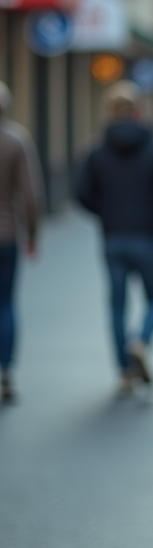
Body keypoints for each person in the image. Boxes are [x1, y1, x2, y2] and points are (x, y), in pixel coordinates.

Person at [76, 82, 153, 393]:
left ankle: (123, 371)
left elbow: (82, 194)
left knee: (117, 304)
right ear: (137, 111)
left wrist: (107, 214)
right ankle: (142, 342)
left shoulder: (96, 151)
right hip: (147, 236)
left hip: (113, 238)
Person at [0, 83, 40, 403]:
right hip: (7, 235)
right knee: (5, 304)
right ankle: (6, 372)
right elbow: (30, 194)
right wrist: (33, 234)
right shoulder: (16, 139)